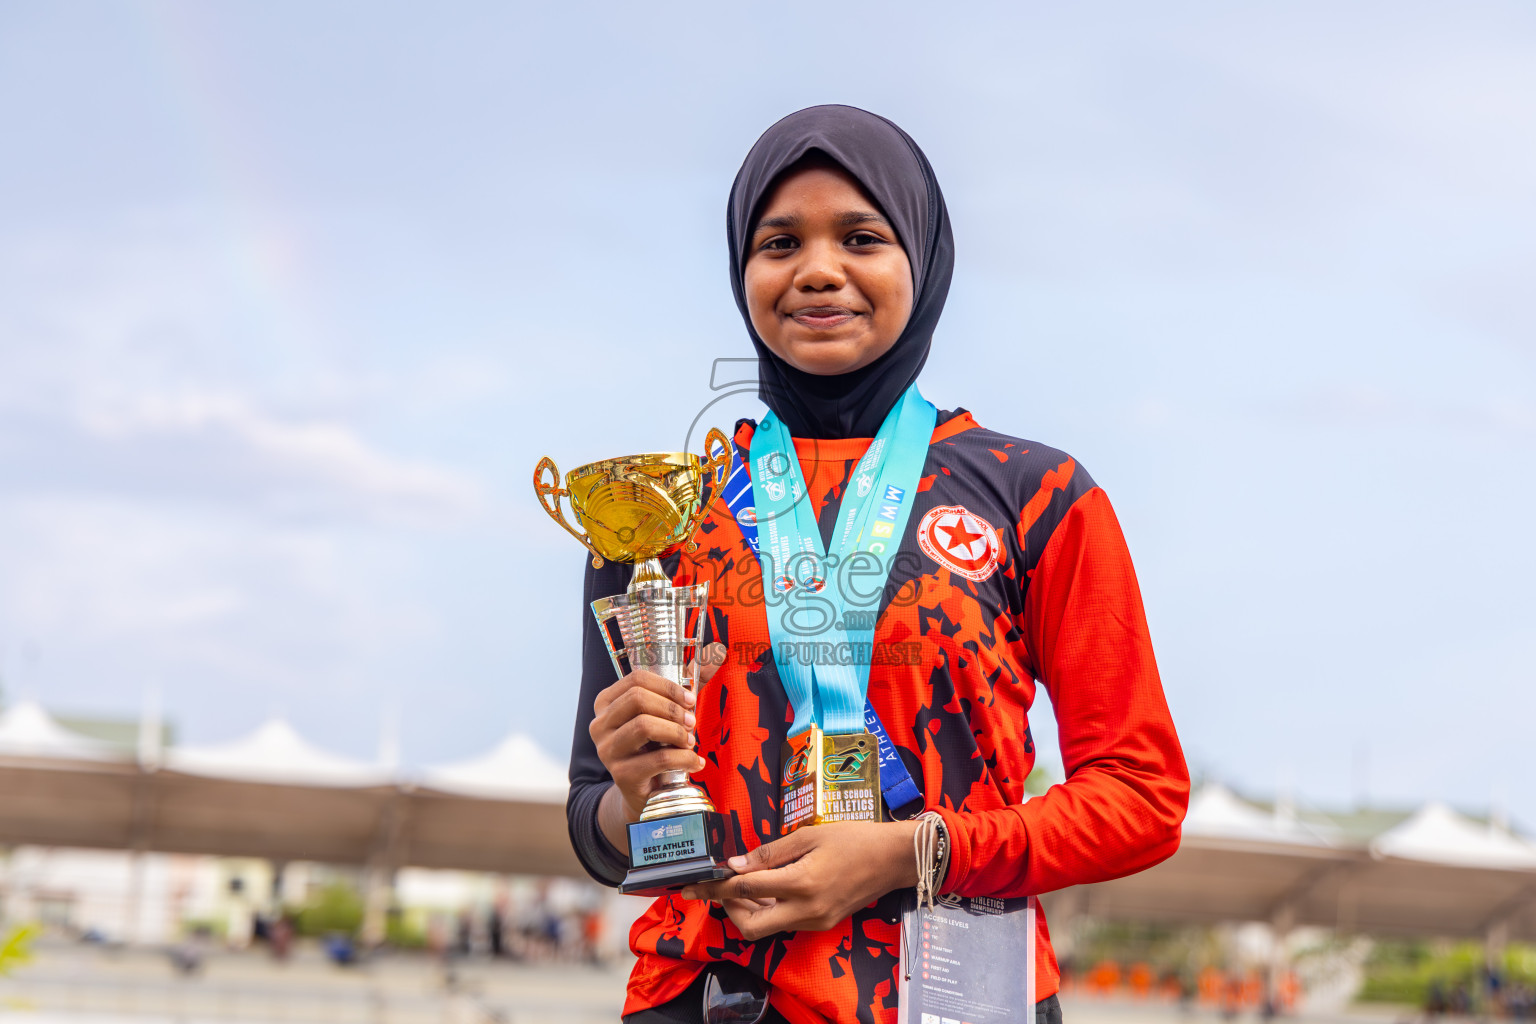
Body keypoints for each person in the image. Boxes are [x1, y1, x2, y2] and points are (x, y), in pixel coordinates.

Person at [565, 104, 1188, 1024]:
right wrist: (635, 798)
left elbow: (1143, 797)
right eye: (779, 243)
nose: (818, 270)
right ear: (743, 270)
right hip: (708, 996)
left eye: (861, 236)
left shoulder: (1037, 496)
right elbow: (595, 823)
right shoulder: (656, 514)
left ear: (923, 261)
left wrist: (912, 855)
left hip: (963, 996)